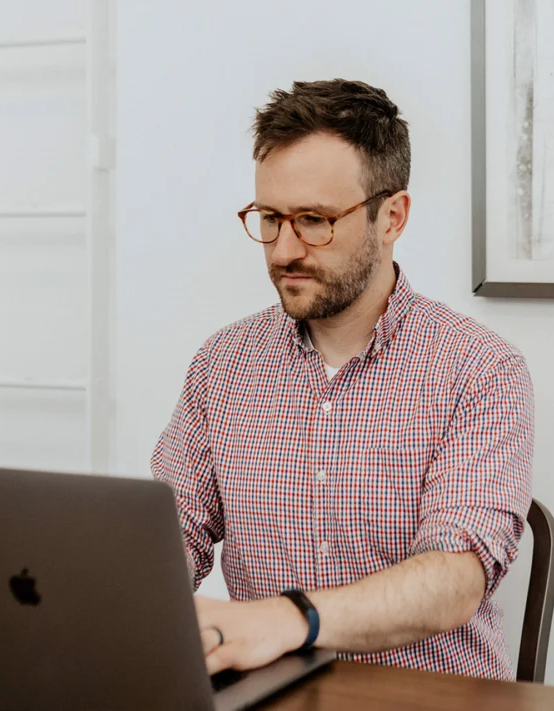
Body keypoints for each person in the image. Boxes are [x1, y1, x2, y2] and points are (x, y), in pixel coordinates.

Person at [151, 79, 533, 681]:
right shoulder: (221, 364)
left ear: (393, 217)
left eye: (313, 220)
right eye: (270, 218)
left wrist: (289, 619)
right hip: (266, 695)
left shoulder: (480, 368)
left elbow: (455, 579)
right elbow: (167, 539)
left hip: (428, 699)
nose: (283, 250)